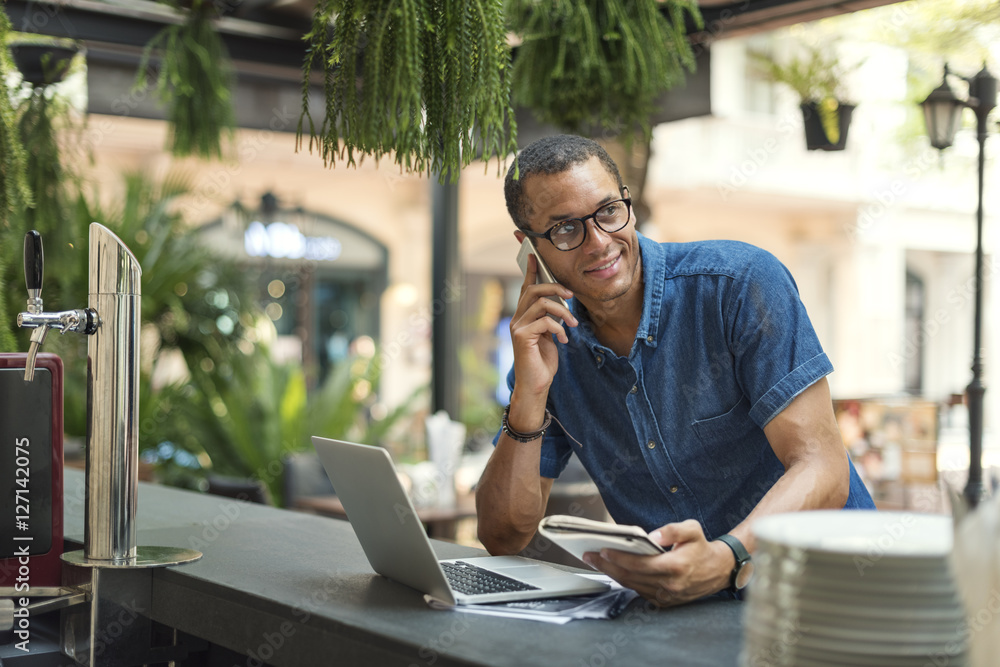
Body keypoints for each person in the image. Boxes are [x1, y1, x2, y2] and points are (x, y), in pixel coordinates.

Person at [475, 134, 876, 607]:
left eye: (608, 212)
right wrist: (529, 395)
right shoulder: (548, 348)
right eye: (565, 229)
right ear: (529, 248)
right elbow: (503, 536)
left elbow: (823, 467)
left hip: (837, 595)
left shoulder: (739, 285)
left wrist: (728, 557)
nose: (599, 243)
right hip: (692, 623)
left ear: (629, 203)